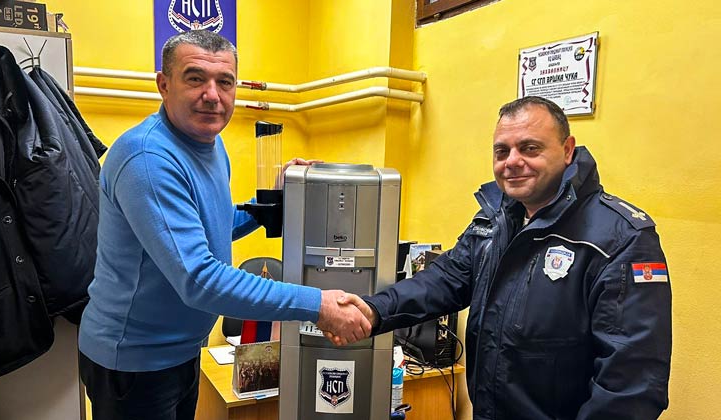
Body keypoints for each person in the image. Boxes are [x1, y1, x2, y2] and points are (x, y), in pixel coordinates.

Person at [78, 30, 370, 420]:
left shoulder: (210, 145)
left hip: (180, 350)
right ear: (164, 84)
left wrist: (272, 202)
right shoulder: (148, 158)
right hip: (134, 361)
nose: (212, 95)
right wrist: (316, 305)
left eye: (225, 82)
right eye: (195, 78)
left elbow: (211, 225)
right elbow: (199, 279)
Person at [337, 96, 672, 419]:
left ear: (567, 150)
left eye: (530, 148)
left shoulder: (621, 239)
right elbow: (444, 280)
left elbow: (631, 385)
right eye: (502, 151)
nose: (512, 161)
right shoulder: (494, 221)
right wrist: (373, 310)